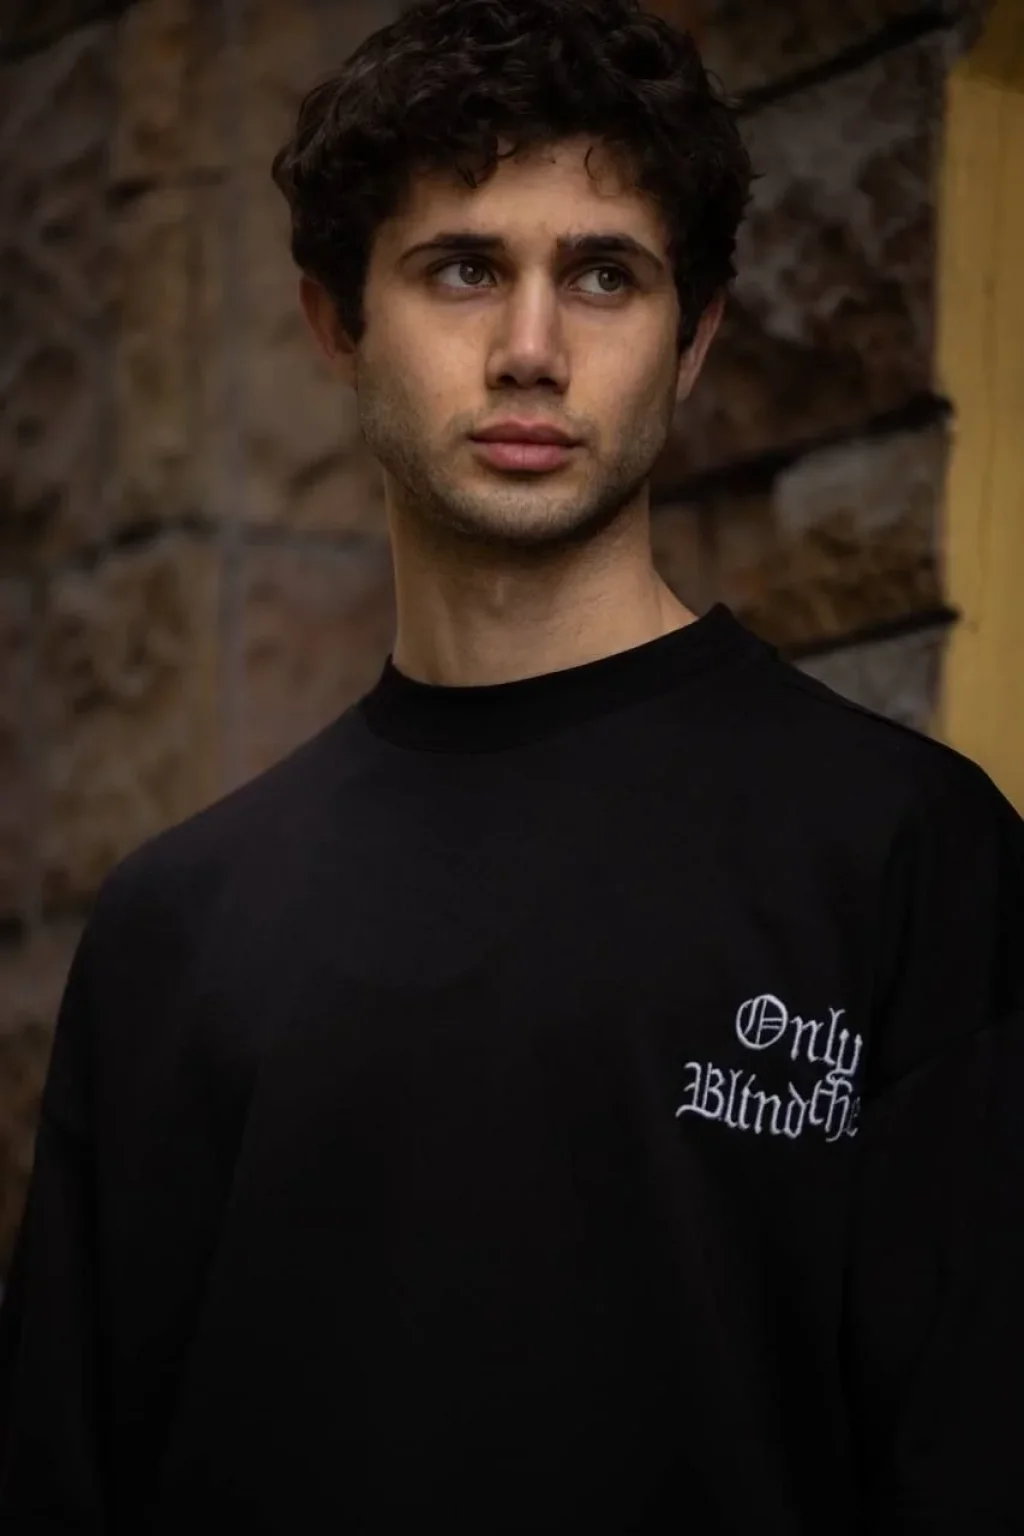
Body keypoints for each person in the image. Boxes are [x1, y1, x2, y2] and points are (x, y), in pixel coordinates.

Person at [1, 0, 1022, 1529]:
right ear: (337, 324)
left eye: (604, 275)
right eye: (464, 268)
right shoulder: (175, 930)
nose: (532, 350)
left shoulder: (906, 857)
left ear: (695, 339)